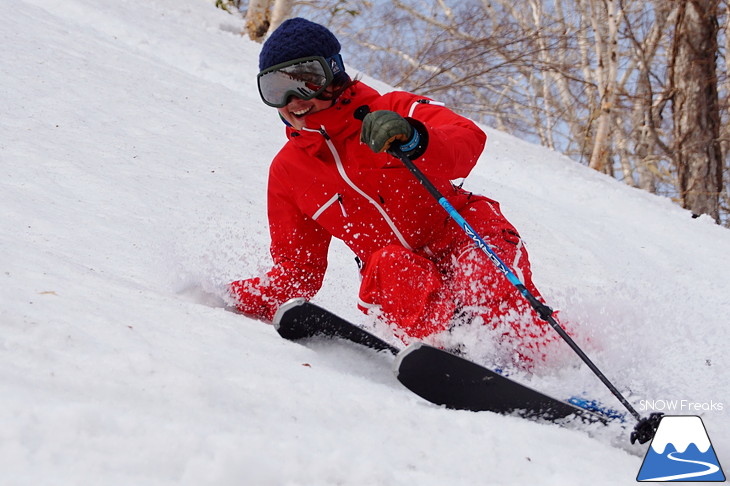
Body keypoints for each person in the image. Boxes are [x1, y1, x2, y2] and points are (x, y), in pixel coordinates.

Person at [229, 18, 560, 366]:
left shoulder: (391, 109)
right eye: (276, 89)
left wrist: (416, 138)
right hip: (398, 277)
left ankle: (549, 364)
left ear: (333, 71)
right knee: (390, 265)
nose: (293, 99)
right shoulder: (289, 173)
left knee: (481, 275)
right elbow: (298, 272)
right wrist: (226, 296)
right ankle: (454, 356)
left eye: (305, 80)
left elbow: (468, 139)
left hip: (464, 233)